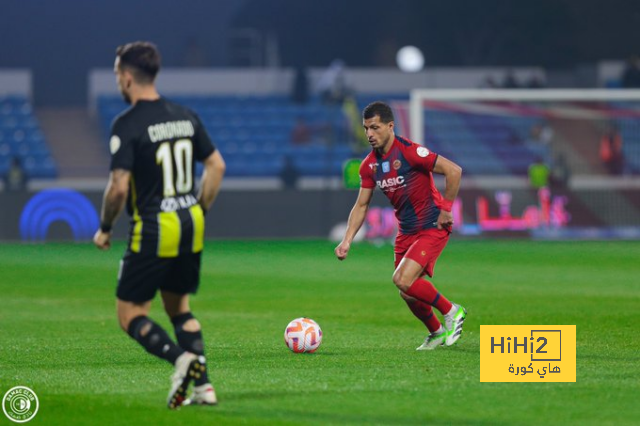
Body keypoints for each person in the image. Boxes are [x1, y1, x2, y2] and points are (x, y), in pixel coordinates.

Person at [93, 41, 226, 409]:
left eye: (118, 75)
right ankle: (204, 388)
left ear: (126, 77)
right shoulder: (184, 115)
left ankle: (181, 361)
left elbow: (118, 187)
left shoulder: (128, 124)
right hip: (190, 223)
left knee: (130, 315)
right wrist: (198, 208)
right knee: (179, 308)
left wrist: (105, 226)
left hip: (154, 227)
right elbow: (216, 166)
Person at [334, 101, 467, 351]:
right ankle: (436, 332)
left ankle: (452, 311)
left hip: (431, 226)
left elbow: (454, 171)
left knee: (403, 279)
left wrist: (446, 209)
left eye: (375, 127)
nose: (370, 134)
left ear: (390, 126)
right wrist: (347, 240)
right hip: (406, 232)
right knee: (407, 291)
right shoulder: (369, 166)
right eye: (366, 129)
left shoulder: (409, 152)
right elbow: (361, 205)